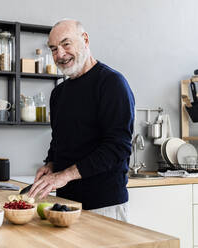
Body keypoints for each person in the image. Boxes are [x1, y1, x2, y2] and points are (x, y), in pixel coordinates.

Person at [28, 20, 135, 222]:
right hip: (64, 204)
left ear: (85, 40)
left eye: (66, 44)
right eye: (53, 49)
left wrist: (64, 175)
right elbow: (59, 140)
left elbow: (117, 147)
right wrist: (51, 165)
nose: (60, 54)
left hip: (105, 205)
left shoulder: (112, 83)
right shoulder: (58, 94)